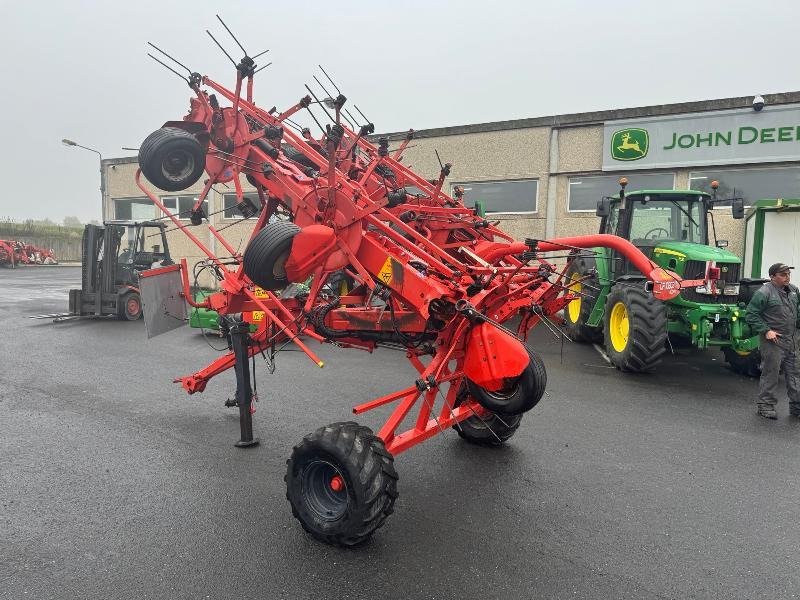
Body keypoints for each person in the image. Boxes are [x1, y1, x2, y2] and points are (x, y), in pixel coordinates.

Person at [745, 263, 800, 419]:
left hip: (793, 340)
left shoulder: (794, 291)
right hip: (773, 341)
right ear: (772, 277)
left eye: (788, 274)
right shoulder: (764, 292)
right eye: (783, 275)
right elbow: (751, 315)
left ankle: (797, 407)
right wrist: (766, 330)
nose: (787, 277)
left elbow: (798, 313)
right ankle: (765, 405)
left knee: (795, 374)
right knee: (771, 373)